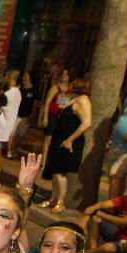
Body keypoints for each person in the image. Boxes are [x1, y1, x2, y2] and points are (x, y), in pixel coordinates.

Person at [39, 78, 92, 213]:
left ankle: (60, 202)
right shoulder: (75, 99)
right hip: (60, 138)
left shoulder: (83, 100)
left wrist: (70, 140)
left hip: (68, 141)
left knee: (60, 171)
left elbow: (86, 123)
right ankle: (53, 198)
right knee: (55, 170)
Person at [0, 69, 22, 186]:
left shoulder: (8, 94)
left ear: (10, 77)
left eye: (6, 76)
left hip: (0, 129)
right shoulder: (18, 93)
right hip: (7, 128)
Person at [41, 69, 71, 165]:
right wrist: (45, 117)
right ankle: (43, 161)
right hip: (52, 115)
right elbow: (47, 102)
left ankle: (51, 160)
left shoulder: (70, 89)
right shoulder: (55, 87)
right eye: (62, 74)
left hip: (62, 116)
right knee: (48, 138)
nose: (63, 76)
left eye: (66, 75)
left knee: (57, 139)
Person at [7, 72, 36, 160]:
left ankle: (14, 149)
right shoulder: (18, 88)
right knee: (13, 134)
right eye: (23, 76)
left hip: (26, 116)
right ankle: (9, 151)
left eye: (26, 76)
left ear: (30, 78)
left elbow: (34, 104)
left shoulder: (34, 90)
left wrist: (32, 115)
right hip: (16, 115)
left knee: (20, 135)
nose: (23, 78)